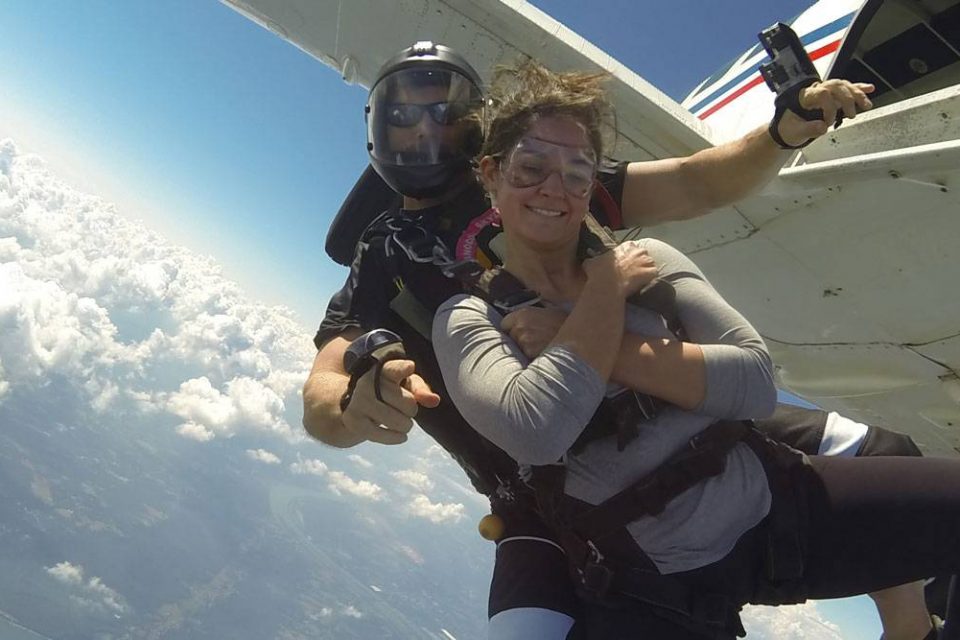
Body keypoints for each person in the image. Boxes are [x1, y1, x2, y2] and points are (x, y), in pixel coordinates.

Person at [304, 42, 931, 638]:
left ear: (477, 135)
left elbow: (693, 182)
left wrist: (780, 135)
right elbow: (328, 381)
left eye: (445, 116)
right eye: (405, 119)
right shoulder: (386, 253)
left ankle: (909, 629)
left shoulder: (545, 179)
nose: (425, 133)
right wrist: (355, 398)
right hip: (544, 489)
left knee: (887, 452)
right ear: (377, 129)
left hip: (669, 414)